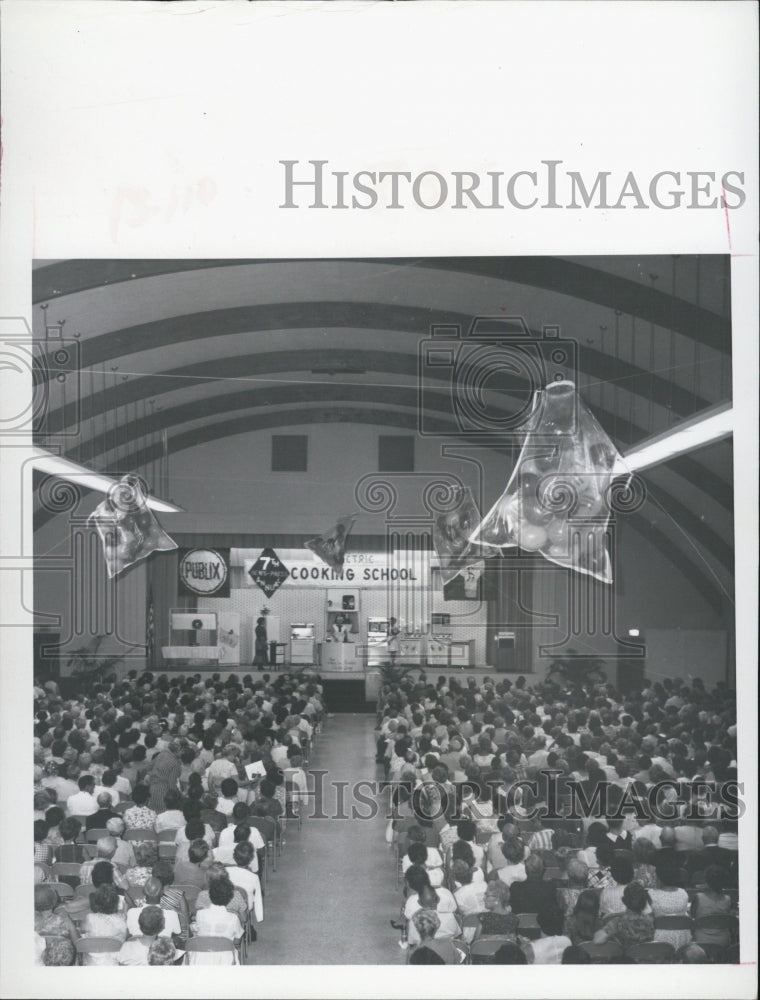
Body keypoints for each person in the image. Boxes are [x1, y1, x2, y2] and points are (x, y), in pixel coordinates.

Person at [189, 880, 243, 964]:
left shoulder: (200, 914)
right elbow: (237, 940)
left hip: (200, 957)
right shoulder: (233, 918)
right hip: (224, 959)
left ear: (210, 896)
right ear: (229, 898)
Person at [591, 882, 655, 951]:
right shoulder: (650, 921)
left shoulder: (618, 922)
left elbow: (597, 940)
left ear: (624, 901)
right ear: (644, 902)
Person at [79, 885, 128, 965]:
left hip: (90, 964)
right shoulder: (122, 921)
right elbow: (124, 939)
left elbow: (82, 933)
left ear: (96, 902)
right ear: (116, 902)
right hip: (113, 965)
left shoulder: (90, 918)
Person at [691, 865, 733, 949]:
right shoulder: (728, 899)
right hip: (723, 941)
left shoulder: (698, 897)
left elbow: (693, 917)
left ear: (706, 880)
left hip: (701, 940)